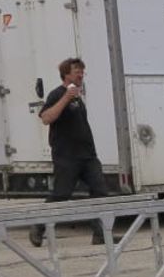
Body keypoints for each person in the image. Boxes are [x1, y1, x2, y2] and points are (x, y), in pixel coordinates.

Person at [33, 57, 111, 245]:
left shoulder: (77, 97)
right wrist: (66, 98)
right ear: (66, 74)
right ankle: (38, 226)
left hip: (88, 155)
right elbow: (46, 118)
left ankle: (100, 234)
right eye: (77, 71)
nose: (81, 74)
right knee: (61, 195)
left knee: (100, 190)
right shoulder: (57, 94)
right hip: (67, 156)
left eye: (82, 71)